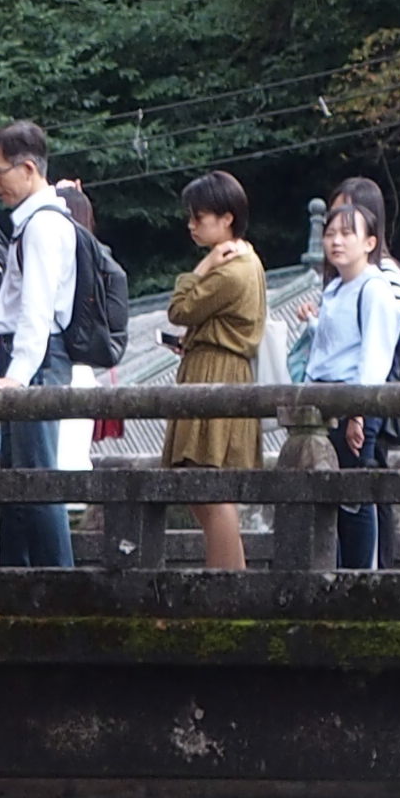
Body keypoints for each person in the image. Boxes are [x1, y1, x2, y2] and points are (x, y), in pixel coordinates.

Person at [293, 177, 400, 570]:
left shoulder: (375, 288)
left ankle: (359, 575)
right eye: (331, 233)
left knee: (353, 495)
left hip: (354, 402)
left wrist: (360, 412)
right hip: (326, 400)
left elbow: (375, 356)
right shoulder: (337, 288)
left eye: (347, 233)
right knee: (328, 496)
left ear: (370, 242)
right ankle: (335, 571)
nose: (336, 241)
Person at [0, 122, 79, 568]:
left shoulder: (42, 226)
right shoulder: (36, 222)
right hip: (30, 356)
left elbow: (36, 310)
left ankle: (59, 587)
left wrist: (16, 377)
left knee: (37, 485)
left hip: (34, 358)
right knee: (20, 485)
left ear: (28, 168)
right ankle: (22, 583)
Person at [161, 169, 266, 573]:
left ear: (226, 218)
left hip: (214, 371)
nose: (191, 225)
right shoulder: (247, 261)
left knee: (208, 484)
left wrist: (203, 265)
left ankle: (225, 582)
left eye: (199, 217)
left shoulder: (231, 268)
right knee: (203, 486)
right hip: (215, 367)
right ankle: (228, 576)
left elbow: (180, 309)